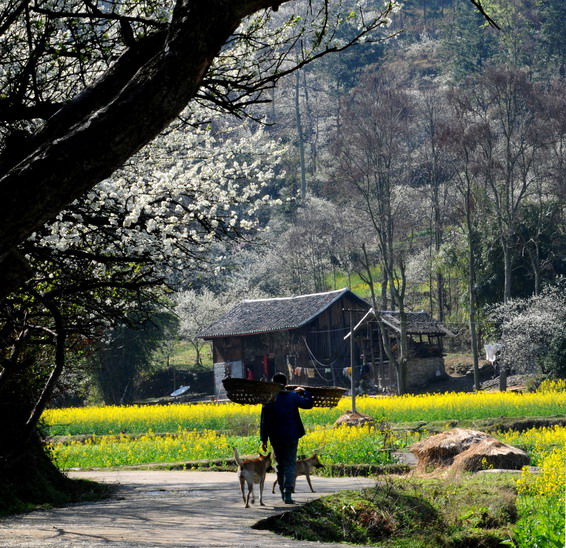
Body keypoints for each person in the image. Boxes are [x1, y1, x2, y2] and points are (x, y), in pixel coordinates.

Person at [260, 372, 313, 504]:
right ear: (286, 384)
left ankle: (282, 492)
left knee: (280, 464)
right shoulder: (293, 396)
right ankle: (287, 494)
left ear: (273, 383)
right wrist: (304, 392)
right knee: (290, 464)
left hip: (275, 437)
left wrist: (264, 439)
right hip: (291, 435)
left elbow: (264, 421)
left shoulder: (269, 399)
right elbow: (308, 404)